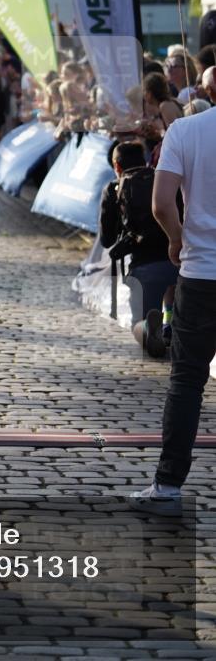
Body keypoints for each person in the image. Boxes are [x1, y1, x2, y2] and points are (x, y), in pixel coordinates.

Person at [130, 96, 216, 516]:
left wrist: (178, 239)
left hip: (201, 274)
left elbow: (162, 204)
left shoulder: (186, 130)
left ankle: (167, 485)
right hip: (199, 270)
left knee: (186, 382)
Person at [99, 140, 177, 357]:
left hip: (144, 269)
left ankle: (148, 328)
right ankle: (170, 325)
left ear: (117, 166)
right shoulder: (163, 180)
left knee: (137, 325)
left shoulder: (114, 189)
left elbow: (106, 240)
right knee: (179, 302)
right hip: (180, 262)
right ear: (145, 161)